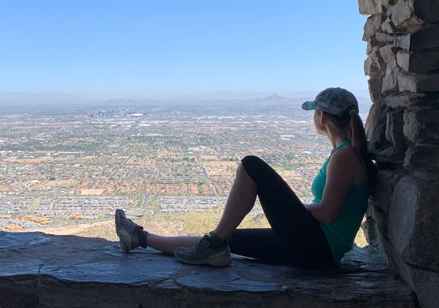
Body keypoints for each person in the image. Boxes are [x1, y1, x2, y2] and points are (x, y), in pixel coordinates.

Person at [114, 87, 375, 269]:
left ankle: (213, 244)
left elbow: (328, 213)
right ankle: (141, 237)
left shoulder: (345, 156)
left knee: (251, 166)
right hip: (314, 248)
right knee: (226, 238)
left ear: (321, 116)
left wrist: (289, 209)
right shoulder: (345, 153)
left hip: (319, 250)